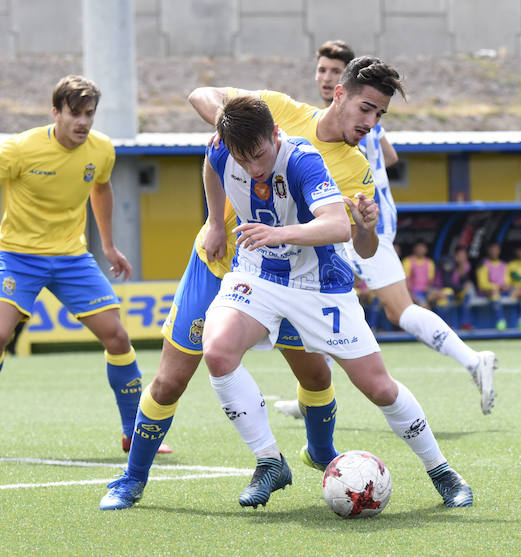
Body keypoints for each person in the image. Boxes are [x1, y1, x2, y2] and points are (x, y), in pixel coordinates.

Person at [100, 57, 474, 511]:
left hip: (311, 279)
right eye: (366, 109)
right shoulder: (270, 114)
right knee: (172, 379)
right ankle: (141, 478)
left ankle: (415, 467)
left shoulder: (343, 165)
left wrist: (366, 228)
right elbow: (207, 122)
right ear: (339, 94)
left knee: (330, 378)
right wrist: (216, 218)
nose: (371, 123)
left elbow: (361, 244)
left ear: (275, 141)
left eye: (380, 115)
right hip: (232, 265)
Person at [200, 95, 473, 508]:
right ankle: (270, 462)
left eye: (259, 155)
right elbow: (211, 166)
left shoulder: (302, 159)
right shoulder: (222, 148)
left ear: (275, 134)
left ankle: (443, 472)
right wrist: (213, 219)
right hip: (258, 273)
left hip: (319, 283)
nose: (253, 168)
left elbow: (335, 226)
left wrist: (279, 234)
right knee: (218, 352)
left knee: (377, 387)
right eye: (243, 159)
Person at [0, 75, 170, 455]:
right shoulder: (21, 148)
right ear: (55, 112)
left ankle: (133, 431)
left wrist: (109, 246)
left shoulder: (101, 150)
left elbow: (101, 188)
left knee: (117, 337)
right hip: (17, 257)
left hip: (71, 258)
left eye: (89, 114)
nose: (83, 122)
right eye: (75, 114)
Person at [276, 40, 496, 419]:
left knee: (391, 309)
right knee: (320, 304)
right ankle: (309, 395)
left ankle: (472, 359)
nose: (326, 79)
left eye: (334, 72)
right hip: (361, 221)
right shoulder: (357, 125)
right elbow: (390, 157)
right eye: (322, 71)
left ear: (346, 83)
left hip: (361, 224)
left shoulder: (355, 124)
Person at [476, 242, 521, 330]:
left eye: (496, 249)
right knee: (495, 292)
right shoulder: (483, 264)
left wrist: (507, 285)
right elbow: (482, 284)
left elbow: (508, 280)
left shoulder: (504, 264)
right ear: (488, 251)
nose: (494, 252)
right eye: (492, 250)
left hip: (504, 291)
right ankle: (500, 320)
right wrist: (497, 286)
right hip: (489, 291)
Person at [433, 247, 475, 330]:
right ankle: (445, 324)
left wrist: (463, 276)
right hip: (438, 290)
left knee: (467, 293)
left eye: (464, 256)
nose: (463, 258)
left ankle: (464, 324)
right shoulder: (447, 263)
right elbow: (447, 284)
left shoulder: (464, 266)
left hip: (455, 290)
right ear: (455, 256)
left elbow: (465, 283)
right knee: (448, 293)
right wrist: (462, 287)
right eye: (460, 255)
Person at [402, 240, 441, 309]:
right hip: (412, 292)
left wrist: (430, 292)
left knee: (443, 296)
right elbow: (405, 281)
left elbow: (430, 281)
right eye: (419, 248)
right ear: (414, 249)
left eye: (423, 248)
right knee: (424, 305)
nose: (421, 250)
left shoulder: (429, 262)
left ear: (426, 249)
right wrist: (411, 294)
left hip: (425, 292)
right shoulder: (408, 261)